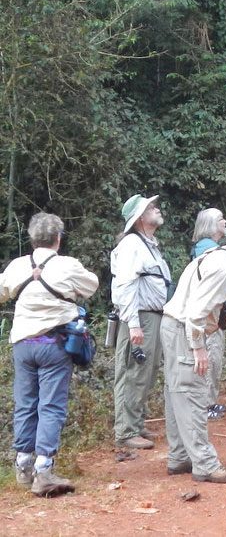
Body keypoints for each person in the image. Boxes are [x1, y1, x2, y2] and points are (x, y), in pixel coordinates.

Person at [161, 217, 226, 483]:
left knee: (177, 393)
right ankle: (205, 464)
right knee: (193, 393)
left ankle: (180, 456)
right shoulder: (223, 265)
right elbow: (196, 313)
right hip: (184, 329)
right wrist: (198, 348)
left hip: (174, 325)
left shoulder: (216, 257)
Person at [1, 213, 99, 497]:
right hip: (55, 345)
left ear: (32, 238)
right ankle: (43, 470)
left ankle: (23, 466)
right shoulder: (67, 265)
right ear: (58, 238)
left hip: (23, 344)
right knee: (51, 406)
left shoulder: (18, 265)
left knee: (25, 403)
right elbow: (91, 285)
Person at [111, 194, 172, 451]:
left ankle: (136, 423)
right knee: (133, 370)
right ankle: (126, 430)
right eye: (150, 207)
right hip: (140, 316)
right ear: (139, 218)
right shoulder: (131, 245)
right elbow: (125, 285)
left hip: (152, 316)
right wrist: (133, 323)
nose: (156, 209)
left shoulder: (148, 244)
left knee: (146, 370)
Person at [191, 208, 226, 420]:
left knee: (214, 356)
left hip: (213, 312)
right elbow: (208, 282)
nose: (225, 221)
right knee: (211, 357)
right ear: (210, 225)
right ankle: (206, 405)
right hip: (209, 315)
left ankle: (209, 402)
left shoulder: (209, 247)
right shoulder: (208, 248)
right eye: (221, 219)